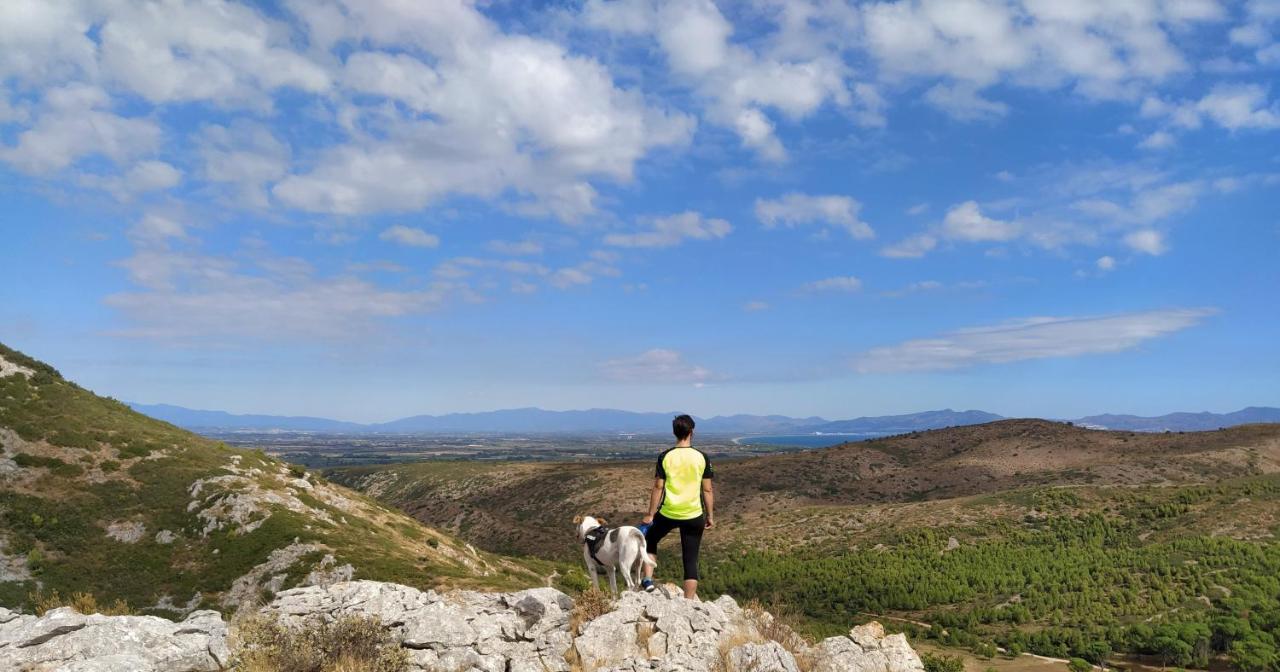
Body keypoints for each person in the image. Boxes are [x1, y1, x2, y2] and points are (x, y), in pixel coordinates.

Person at [640, 413, 715, 599]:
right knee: (690, 559)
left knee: (649, 538)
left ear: (675, 432)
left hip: (668, 512)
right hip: (694, 514)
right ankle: (688, 603)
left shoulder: (665, 456)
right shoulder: (701, 457)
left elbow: (658, 486)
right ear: (692, 432)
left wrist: (650, 514)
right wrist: (710, 516)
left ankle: (648, 580)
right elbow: (707, 490)